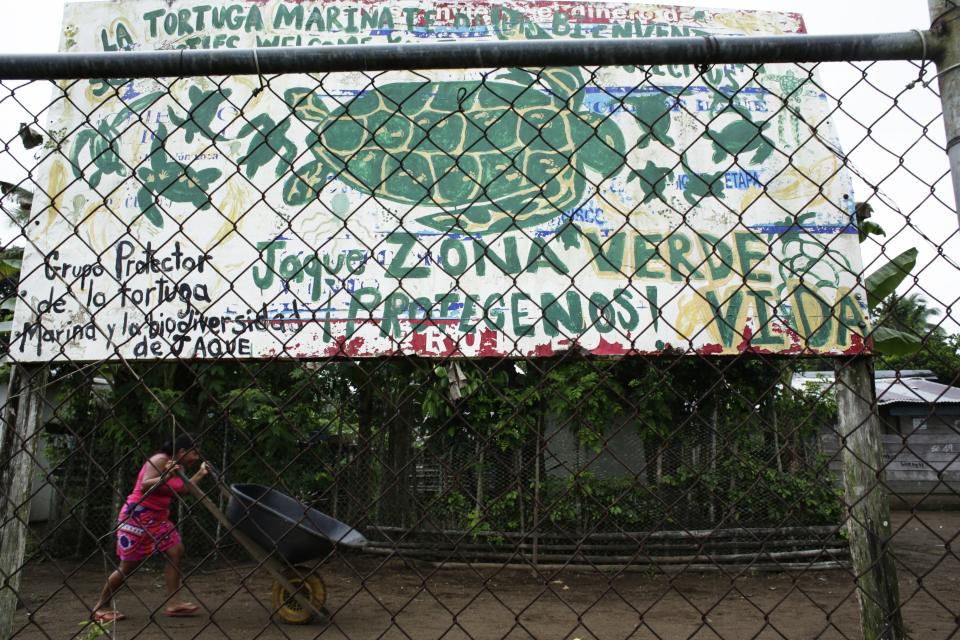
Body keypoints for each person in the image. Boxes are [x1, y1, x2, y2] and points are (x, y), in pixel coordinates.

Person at [90, 433, 209, 622]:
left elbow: (183, 489)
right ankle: (101, 606)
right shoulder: (161, 460)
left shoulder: (179, 466)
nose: (196, 458)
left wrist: (200, 474)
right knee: (129, 565)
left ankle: (174, 602)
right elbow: (146, 486)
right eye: (194, 454)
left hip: (158, 519)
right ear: (182, 451)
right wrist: (167, 474)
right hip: (137, 517)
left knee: (176, 551)